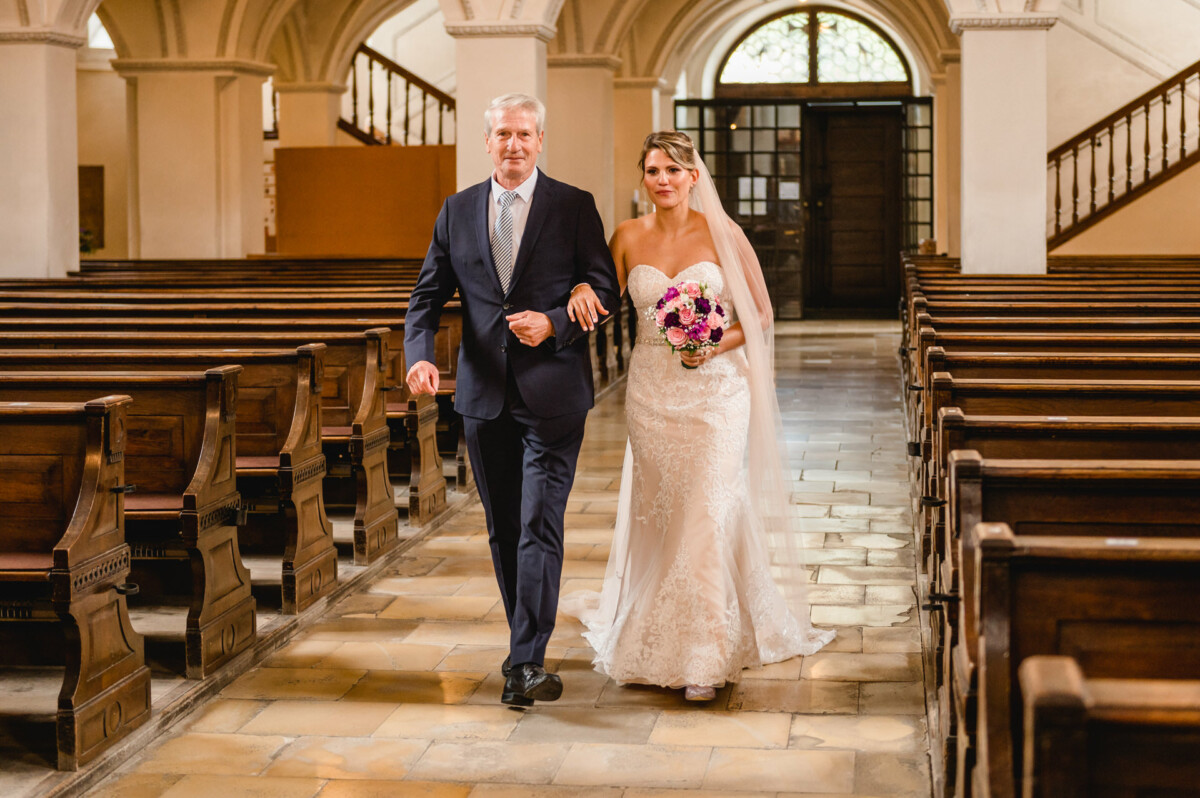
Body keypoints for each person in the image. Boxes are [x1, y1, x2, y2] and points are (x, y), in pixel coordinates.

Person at [562, 131, 835, 701]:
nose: (661, 180)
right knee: (667, 515)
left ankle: (704, 656)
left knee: (707, 510)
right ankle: (663, 631)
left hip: (715, 395)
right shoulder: (628, 236)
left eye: (672, 170)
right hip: (651, 393)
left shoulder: (722, 233)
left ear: (693, 176)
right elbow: (604, 304)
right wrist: (583, 285)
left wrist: (712, 343)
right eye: (652, 170)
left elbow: (759, 314)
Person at [404, 93, 619, 707]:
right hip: (482, 396)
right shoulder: (457, 210)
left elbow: (603, 285)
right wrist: (418, 353)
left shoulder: (573, 206)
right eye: (503, 134)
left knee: (537, 524)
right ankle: (523, 645)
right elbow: (426, 297)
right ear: (489, 140)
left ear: (541, 139)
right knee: (503, 529)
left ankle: (525, 660)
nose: (514, 144)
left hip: (553, 393)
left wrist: (555, 322)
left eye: (525, 134)